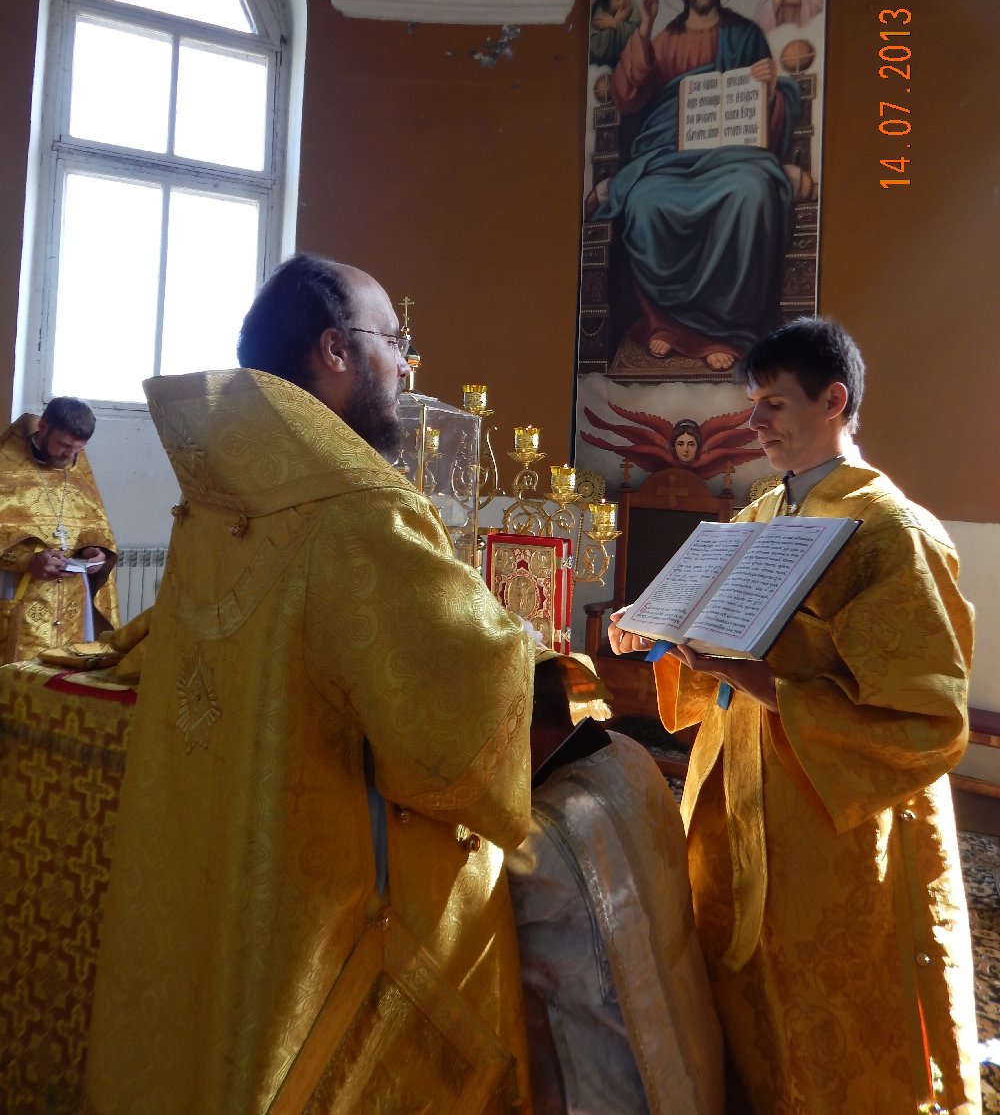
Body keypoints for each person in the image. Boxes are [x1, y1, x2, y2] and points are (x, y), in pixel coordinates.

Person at [85, 253, 536, 1114]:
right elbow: (458, 721)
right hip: (331, 900)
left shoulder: (218, 491)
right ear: (334, 349)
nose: (405, 367)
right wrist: (532, 653)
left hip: (219, 853)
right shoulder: (359, 507)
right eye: (393, 342)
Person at [610, 317, 980, 1114]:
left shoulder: (890, 531)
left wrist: (765, 683)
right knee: (738, 999)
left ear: (833, 400)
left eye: (773, 403)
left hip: (833, 828)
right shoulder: (759, 516)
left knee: (833, 1017)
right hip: (734, 796)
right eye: (754, 403)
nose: (755, 422)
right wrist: (654, 626)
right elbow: (713, 646)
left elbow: (925, 715)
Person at [506, 652, 724, 1114]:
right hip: (696, 1070)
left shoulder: (536, 847)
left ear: (509, 723)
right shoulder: (629, 753)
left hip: (614, 1093)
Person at [592, 0, 799, 371]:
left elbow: (772, 109)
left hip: (736, 153)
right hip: (669, 153)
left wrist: (768, 87)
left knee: (751, 192)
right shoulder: (666, 39)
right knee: (645, 201)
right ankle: (665, 325)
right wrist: (645, 25)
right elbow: (627, 95)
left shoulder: (745, 36)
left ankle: (725, 332)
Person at [0, 396, 118, 661]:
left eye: (78, 449)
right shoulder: (5, 467)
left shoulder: (76, 469)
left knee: (65, 672)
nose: (70, 455)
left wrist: (93, 551)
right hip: (16, 590)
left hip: (73, 601)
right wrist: (26, 560)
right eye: (64, 445)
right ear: (42, 427)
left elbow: (92, 526)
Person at [589, 0, 640, 67]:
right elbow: (595, 46)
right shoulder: (600, 6)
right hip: (600, 66)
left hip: (625, 64)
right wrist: (617, 20)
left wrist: (615, 24)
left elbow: (637, 33)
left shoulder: (634, 5)